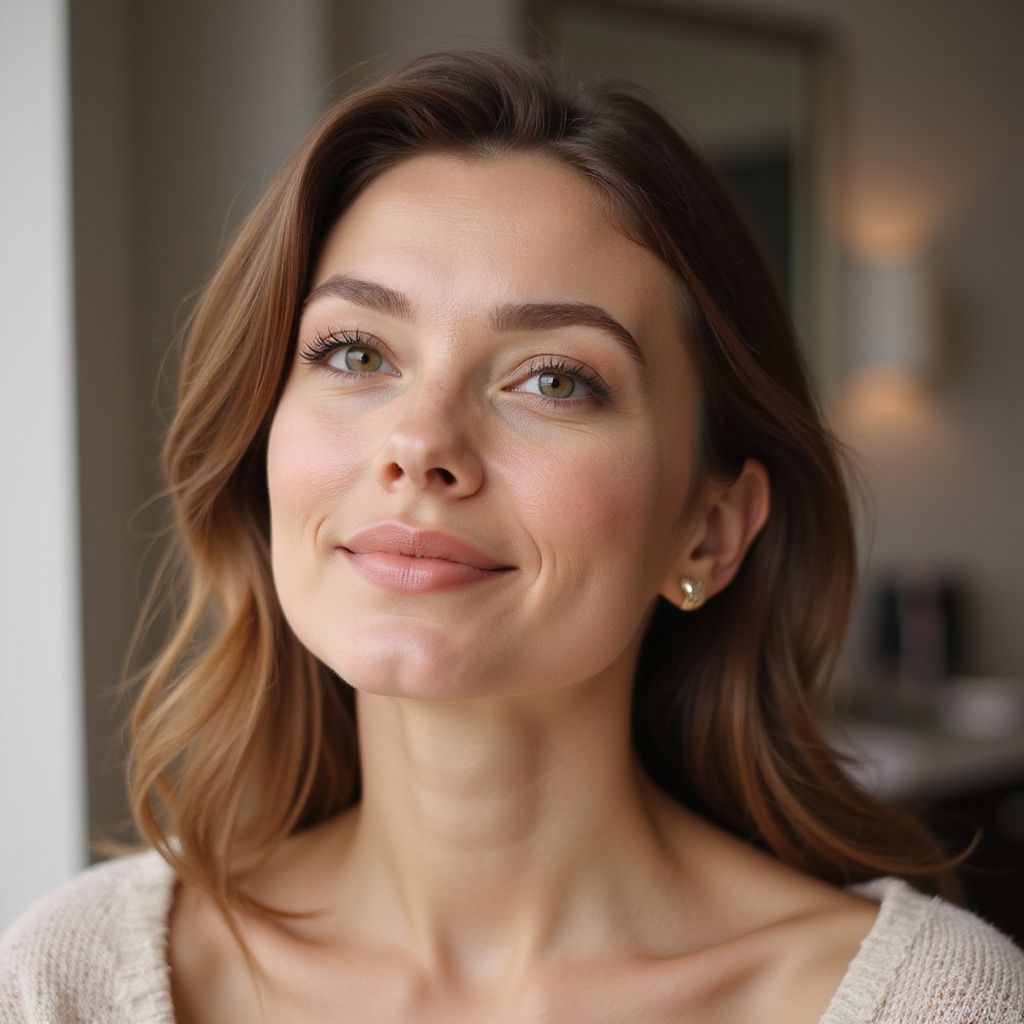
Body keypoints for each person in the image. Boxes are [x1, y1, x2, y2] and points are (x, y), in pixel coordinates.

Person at [2, 50, 1022, 1024]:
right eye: (356, 350)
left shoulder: (932, 1001)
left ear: (707, 534)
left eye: (553, 378)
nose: (418, 442)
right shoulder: (75, 976)